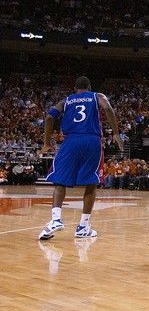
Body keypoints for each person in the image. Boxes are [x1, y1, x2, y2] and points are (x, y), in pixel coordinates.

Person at [38, 76, 123, 240]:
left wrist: (47, 142)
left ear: (75, 88)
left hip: (70, 141)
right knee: (91, 182)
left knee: (60, 181)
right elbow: (108, 109)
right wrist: (116, 133)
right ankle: (83, 226)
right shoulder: (97, 96)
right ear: (89, 87)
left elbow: (49, 117)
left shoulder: (67, 100)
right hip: (92, 140)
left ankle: (56, 219)